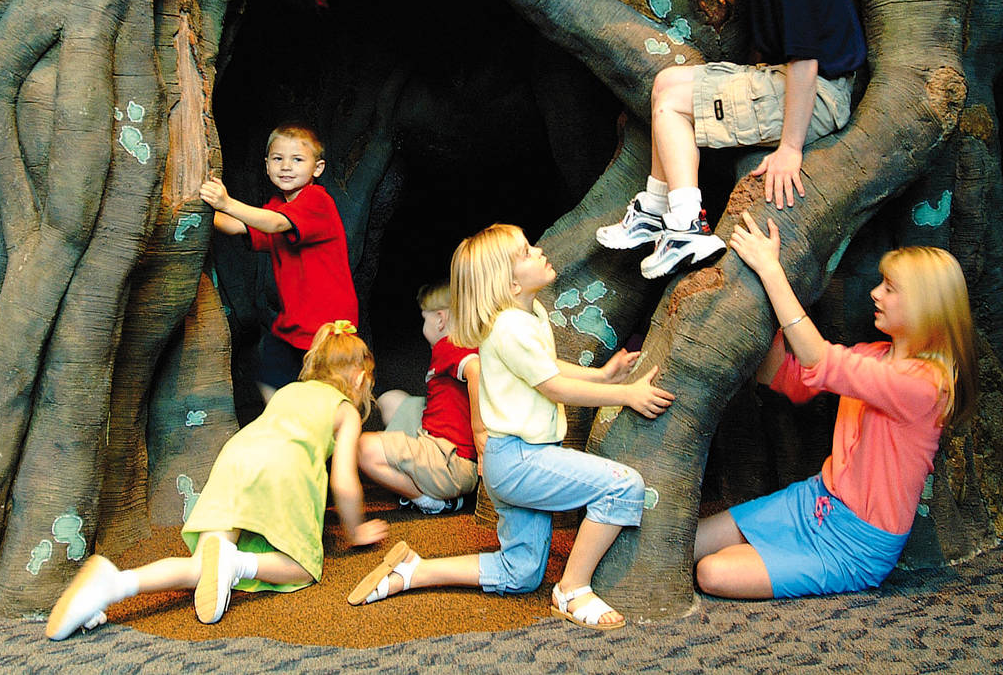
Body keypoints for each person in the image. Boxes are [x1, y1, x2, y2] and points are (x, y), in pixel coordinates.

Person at [347, 225, 674, 630]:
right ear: (511, 283)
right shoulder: (509, 328)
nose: (539, 251)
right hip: (521, 460)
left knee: (520, 572)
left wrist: (602, 375)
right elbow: (553, 386)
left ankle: (415, 571)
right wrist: (625, 394)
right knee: (623, 486)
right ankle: (573, 589)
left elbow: (545, 368)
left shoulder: (528, 316)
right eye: (525, 252)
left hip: (513, 461)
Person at [597, 0, 867, 279]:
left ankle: (686, 227)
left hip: (818, 96)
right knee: (666, 83)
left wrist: (790, 149)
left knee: (672, 106)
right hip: (786, 77)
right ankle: (656, 209)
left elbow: (805, 63)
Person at [692, 214, 977, 599]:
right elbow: (787, 379)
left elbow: (820, 360)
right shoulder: (872, 355)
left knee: (713, 572)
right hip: (813, 502)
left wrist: (772, 272)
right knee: (689, 542)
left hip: (856, 545)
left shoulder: (926, 385)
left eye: (890, 288)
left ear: (925, 304)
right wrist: (762, 300)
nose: (876, 294)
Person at [45, 323, 388, 639]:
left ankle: (115, 585)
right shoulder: (345, 409)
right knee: (301, 568)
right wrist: (355, 531)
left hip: (235, 458)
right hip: (283, 468)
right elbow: (343, 482)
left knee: (202, 565)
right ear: (360, 379)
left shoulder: (289, 391)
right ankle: (237, 563)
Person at [201, 123, 358, 402]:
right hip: (292, 325)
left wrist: (226, 203)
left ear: (317, 168)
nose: (286, 166)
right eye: (278, 158)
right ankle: (285, 423)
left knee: (330, 397)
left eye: (297, 159)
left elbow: (274, 224)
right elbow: (237, 225)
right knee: (269, 378)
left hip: (327, 326)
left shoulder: (316, 200)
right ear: (267, 165)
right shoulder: (277, 205)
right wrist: (198, 206)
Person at [358, 283, 484, 515]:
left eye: (424, 319)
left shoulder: (449, 346)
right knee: (391, 401)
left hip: (451, 463)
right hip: (443, 447)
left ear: (440, 320)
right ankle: (430, 486)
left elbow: (475, 369)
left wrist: (479, 430)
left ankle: (429, 500)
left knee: (363, 448)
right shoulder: (462, 345)